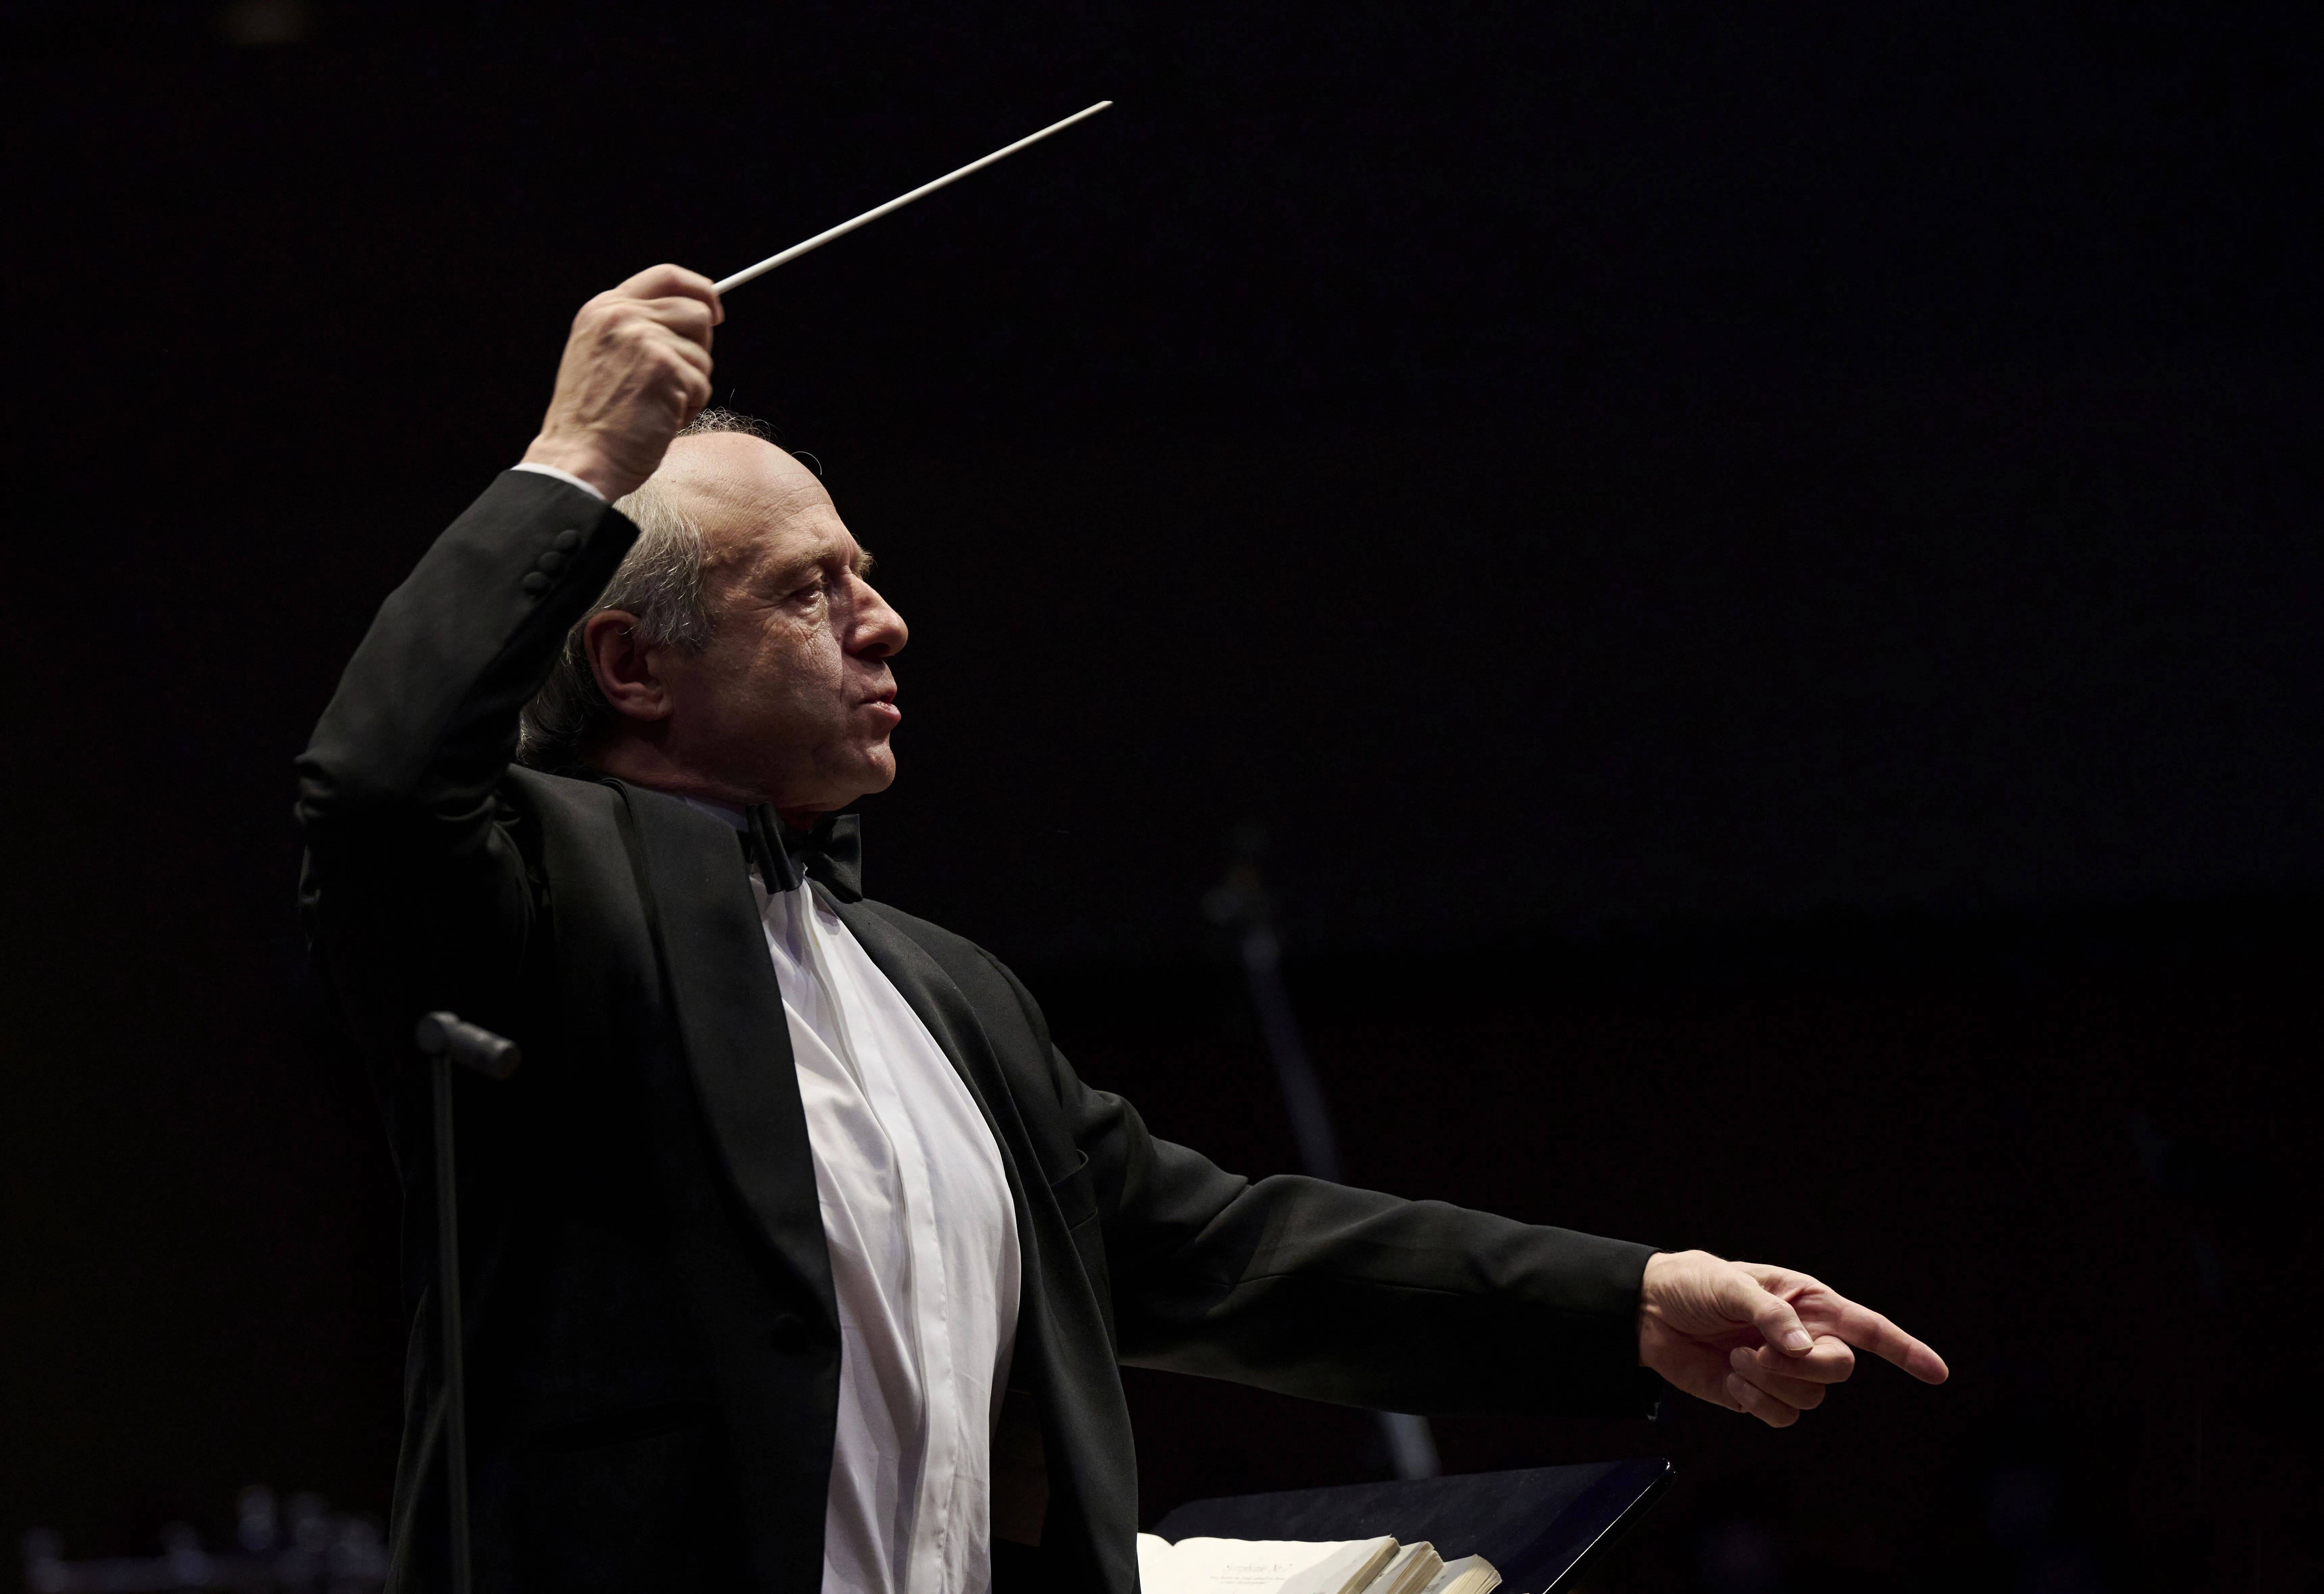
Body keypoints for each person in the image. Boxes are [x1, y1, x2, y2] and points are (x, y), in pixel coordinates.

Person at [297, 265, 1947, 1594]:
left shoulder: (939, 987)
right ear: (631, 666)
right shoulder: (530, 904)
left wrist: (1626, 1297)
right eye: (807, 589)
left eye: (865, 574)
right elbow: (374, 790)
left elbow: (1219, 1250)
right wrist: (575, 461)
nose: (886, 621)